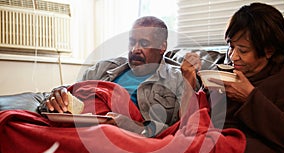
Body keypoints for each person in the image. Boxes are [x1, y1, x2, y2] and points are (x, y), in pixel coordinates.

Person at [182, 2, 284, 153]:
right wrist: (188, 84)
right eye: (231, 46)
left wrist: (249, 97)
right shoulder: (224, 73)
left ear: (269, 50)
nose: (233, 56)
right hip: (200, 146)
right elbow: (189, 125)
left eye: (243, 50)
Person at [39, 16, 200, 137]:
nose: (135, 49)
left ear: (162, 47)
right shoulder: (104, 68)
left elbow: (184, 129)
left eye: (144, 44)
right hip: (84, 128)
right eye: (132, 42)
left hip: (128, 136)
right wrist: (59, 96)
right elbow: (74, 95)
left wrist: (128, 125)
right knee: (18, 123)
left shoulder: (179, 78)